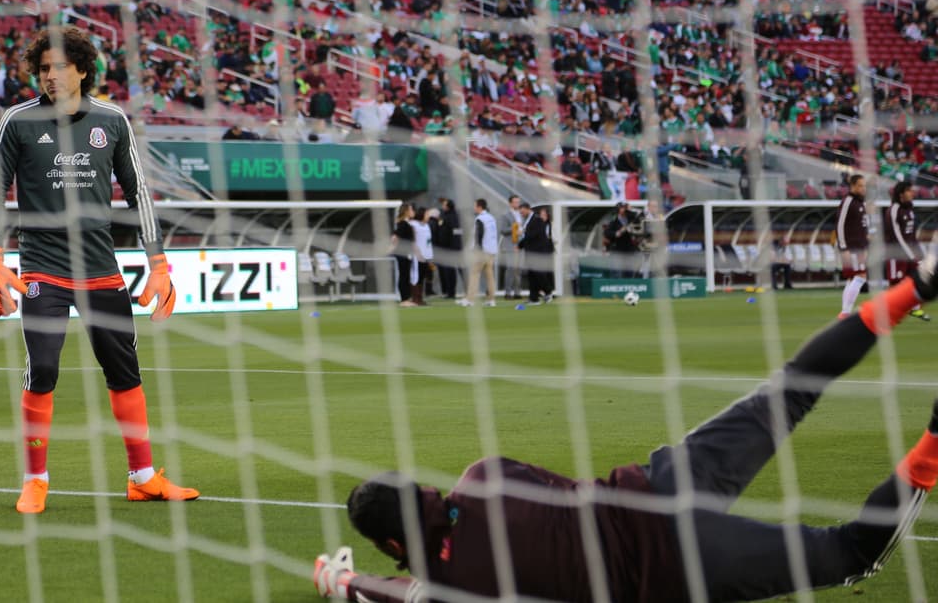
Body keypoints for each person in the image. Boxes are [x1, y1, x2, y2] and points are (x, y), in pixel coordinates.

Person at [316, 259, 938, 603]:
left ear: (395, 546)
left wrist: (344, 582)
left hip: (676, 567)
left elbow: (404, 591)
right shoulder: (483, 475)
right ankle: (918, 286)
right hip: (656, 482)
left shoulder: (458, 585)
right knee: (792, 388)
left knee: (853, 553)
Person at [0, 25, 197, 514]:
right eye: (42, 69)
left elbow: (139, 192)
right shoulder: (17, 121)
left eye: (58, 66)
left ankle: (143, 477)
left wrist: (158, 264)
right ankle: (36, 480)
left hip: (100, 266)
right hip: (43, 268)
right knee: (45, 367)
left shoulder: (112, 121)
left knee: (124, 369)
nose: (49, 76)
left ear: (81, 68)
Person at [884, 180, 929, 321]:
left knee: (915, 280)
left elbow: (912, 235)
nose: (912, 193)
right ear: (901, 194)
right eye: (909, 191)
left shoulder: (909, 209)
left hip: (910, 253)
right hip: (895, 254)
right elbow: (897, 236)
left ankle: (915, 309)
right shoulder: (893, 210)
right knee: (895, 282)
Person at [836, 174, 870, 319]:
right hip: (852, 247)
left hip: (860, 246)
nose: (863, 188)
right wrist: (843, 248)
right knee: (861, 276)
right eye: (861, 186)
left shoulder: (859, 203)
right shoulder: (848, 201)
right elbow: (840, 225)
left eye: (864, 185)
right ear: (853, 186)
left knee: (852, 279)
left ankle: (845, 311)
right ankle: (845, 311)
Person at [457, 199, 498, 307]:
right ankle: (491, 299)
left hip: (482, 251)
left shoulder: (480, 219)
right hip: (491, 251)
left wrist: (477, 249)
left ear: (479, 207)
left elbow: (479, 235)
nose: (474, 207)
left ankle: (470, 299)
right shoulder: (491, 218)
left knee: (474, 274)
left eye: (475, 205)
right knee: (490, 276)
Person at [519, 206, 554, 304]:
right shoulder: (529, 220)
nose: (521, 214)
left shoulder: (537, 220)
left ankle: (548, 291)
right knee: (532, 275)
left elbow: (533, 235)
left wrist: (523, 233)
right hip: (530, 252)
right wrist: (520, 245)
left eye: (522, 212)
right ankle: (534, 298)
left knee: (539, 273)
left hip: (538, 252)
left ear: (527, 209)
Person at [498, 195, 529, 299]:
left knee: (518, 270)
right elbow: (502, 230)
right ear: (510, 203)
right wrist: (514, 229)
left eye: (518, 202)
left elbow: (525, 228)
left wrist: (522, 231)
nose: (517, 204)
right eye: (515, 202)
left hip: (520, 245)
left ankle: (517, 292)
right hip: (510, 245)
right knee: (510, 269)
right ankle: (508, 292)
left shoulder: (523, 215)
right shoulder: (505, 215)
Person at [389, 202, 418, 307]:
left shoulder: (407, 223)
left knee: (406, 275)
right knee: (404, 276)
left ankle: (407, 298)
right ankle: (404, 299)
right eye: (411, 210)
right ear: (406, 212)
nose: (413, 212)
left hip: (407, 253)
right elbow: (395, 237)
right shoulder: (403, 223)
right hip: (402, 253)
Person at [603, 202, 641, 278]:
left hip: (629, 250)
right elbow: (606, 232)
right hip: (617, 250)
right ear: (619, 210)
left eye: (625, 207)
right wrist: (617, 233)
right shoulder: (614, 220)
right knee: (616, 273)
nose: (625, 210)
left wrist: (630, 209)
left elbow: (639, 218)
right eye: (623, 208)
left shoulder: (631, 218)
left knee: (629, 273)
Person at [434, 198, 460, 298]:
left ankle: (450, 292)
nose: (443, 207)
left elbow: (445, 233)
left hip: (448, 248)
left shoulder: (447, 217)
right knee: (453, 271)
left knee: (449, 271)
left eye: (444, 205)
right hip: (456, 247)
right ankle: (451, 291)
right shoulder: (456, 216)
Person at [409, 206, 434, 306]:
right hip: (417, 256)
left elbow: (428, 242)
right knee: (416, 277)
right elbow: (412, 240)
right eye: (427, 214)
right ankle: (415, 298)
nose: (428, 216)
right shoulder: (414, 225)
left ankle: (420, 298)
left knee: (423, 277)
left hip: (427, 256)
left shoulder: (427, 226)